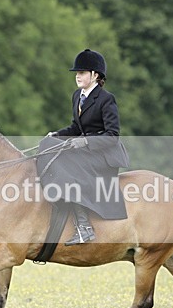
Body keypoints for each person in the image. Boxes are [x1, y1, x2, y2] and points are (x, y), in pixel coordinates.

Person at [40, 49, 130, 245]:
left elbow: (113, 135)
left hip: (105, 154)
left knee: (68, 165)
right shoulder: (77, 96)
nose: (77, 76)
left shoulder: (106, 99)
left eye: (81, 73)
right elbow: (76, 127)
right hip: (86, 151)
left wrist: (86, 141)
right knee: (48, 147)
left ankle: (84, 227)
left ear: (95, 75)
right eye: (77, 73)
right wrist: (56, 135)